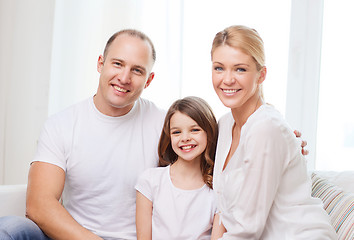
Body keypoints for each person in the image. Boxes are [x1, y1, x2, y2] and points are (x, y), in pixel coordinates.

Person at [0, 29, 166, 239]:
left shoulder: (165, 125)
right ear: (100, 63)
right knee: (10, 227)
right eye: (117, 64)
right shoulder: (61, 125)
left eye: (137, 70)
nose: (124, 77)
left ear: (148, 80)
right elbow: (38, 205)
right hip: (74, 237)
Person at [210, 25, 337, 239]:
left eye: (240, 69)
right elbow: (224, 210)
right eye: (219, 68)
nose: (227, 79)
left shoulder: (266, 128)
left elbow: (247, 229)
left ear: (261, 75)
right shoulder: (225, 124)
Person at [135, 96, 225, 240]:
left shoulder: (218, 189)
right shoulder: (150, 181)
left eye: (194, 130)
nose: (185, 138)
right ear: (169, 137)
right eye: (176, 132)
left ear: (209, 132)